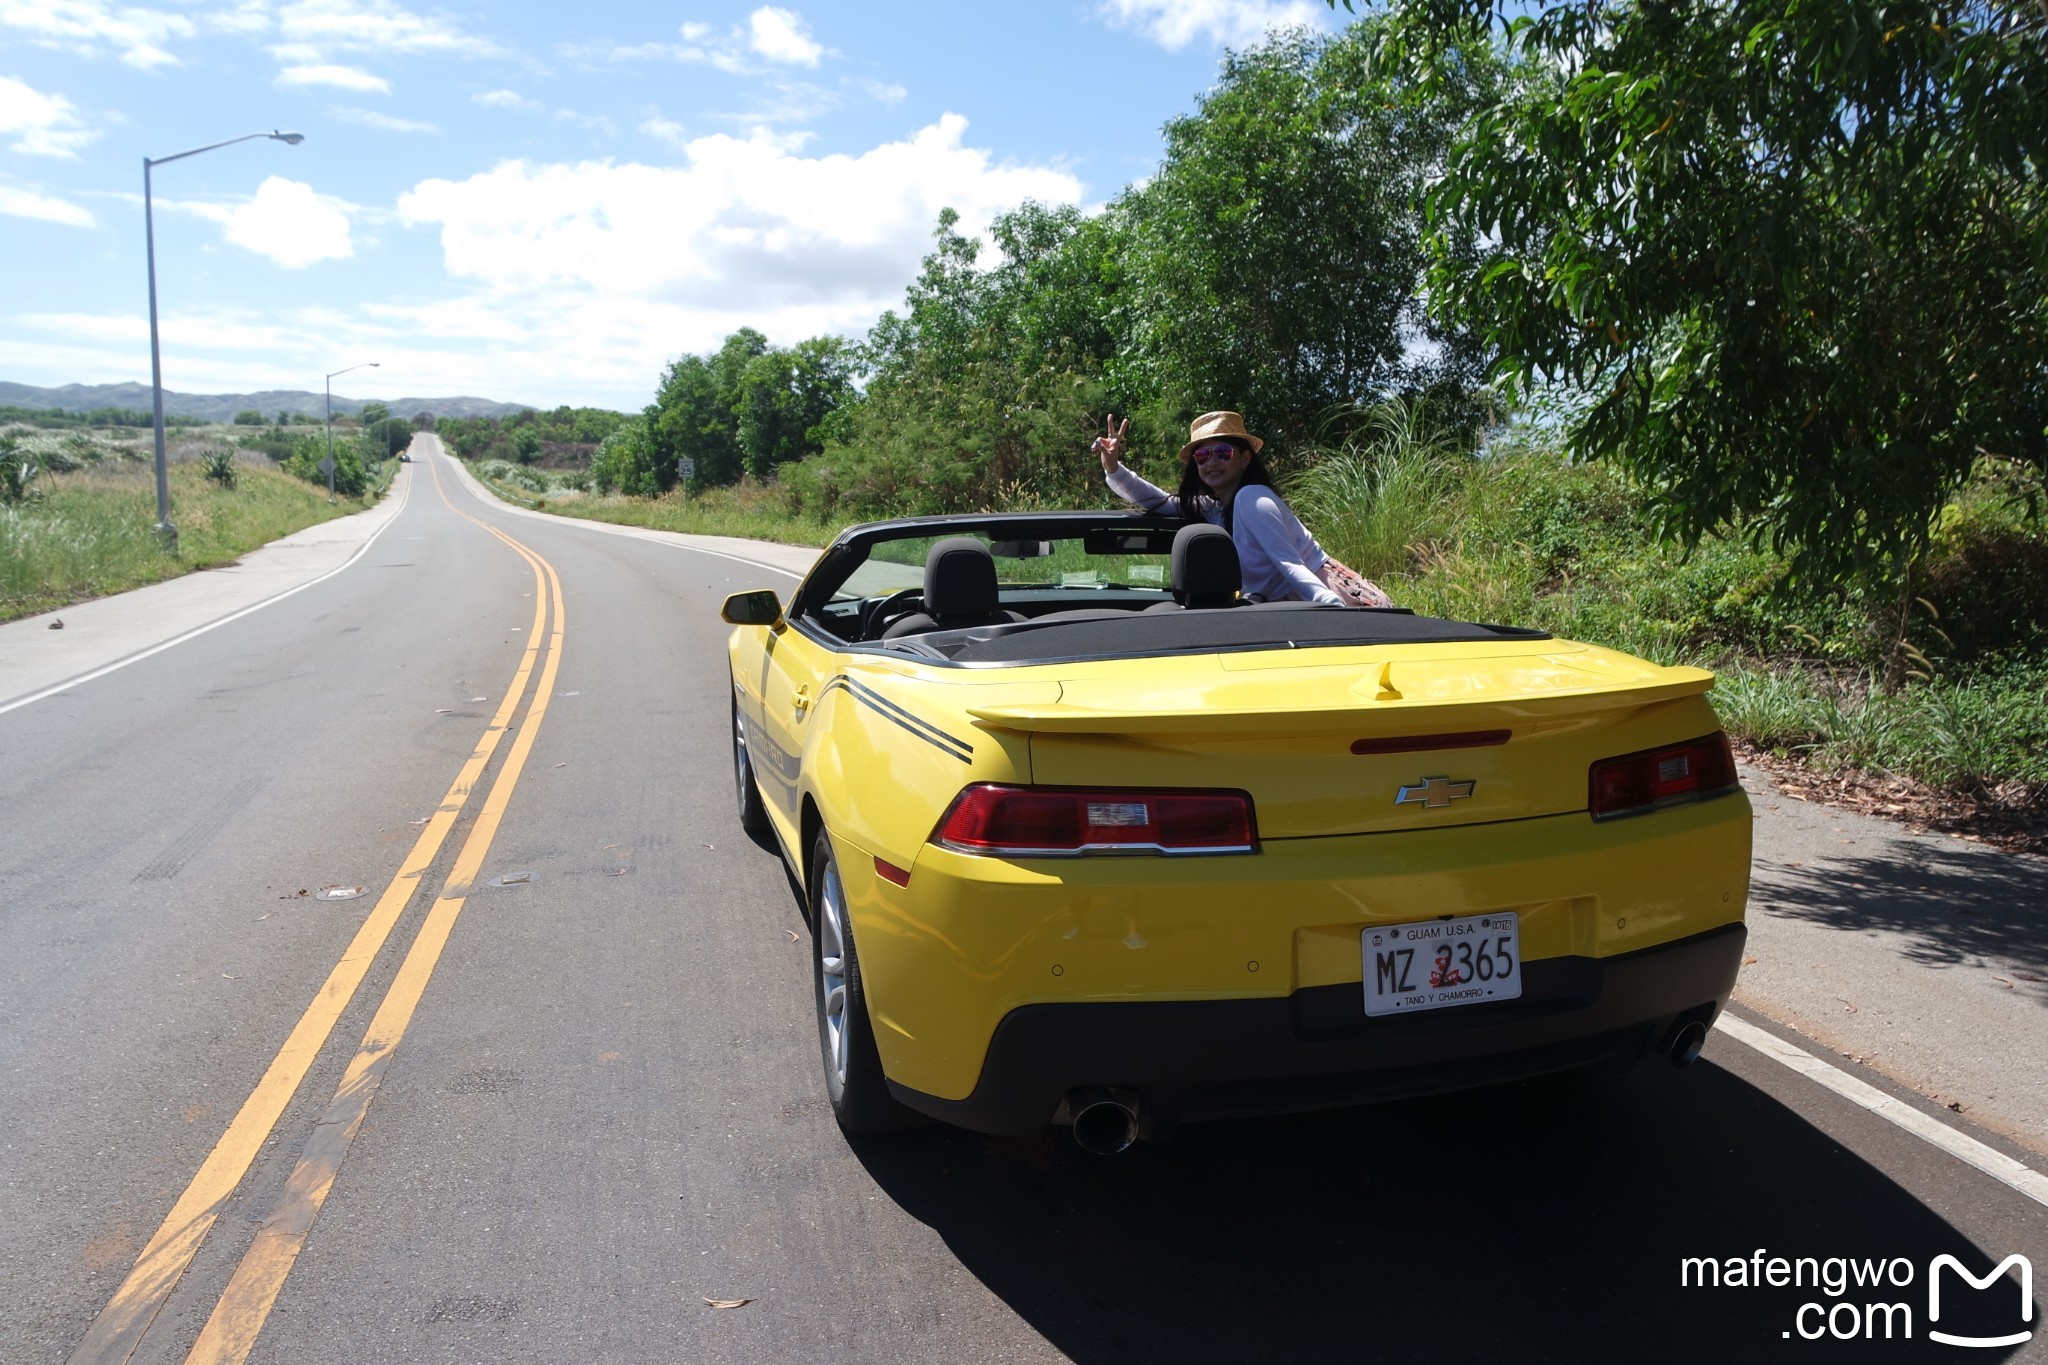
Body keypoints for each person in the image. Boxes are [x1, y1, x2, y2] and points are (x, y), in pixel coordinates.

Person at [1092, 411, 1392, 608]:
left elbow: (1290, 565)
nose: (1212, 462)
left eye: (1223, 453)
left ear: (1245, 459)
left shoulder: (1253, 499)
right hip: (1290, 606)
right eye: (1202, 456)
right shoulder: (1218, 508)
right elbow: (1159, 502)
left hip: (1320, 595)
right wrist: (1113, 467)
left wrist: (1330, 606)